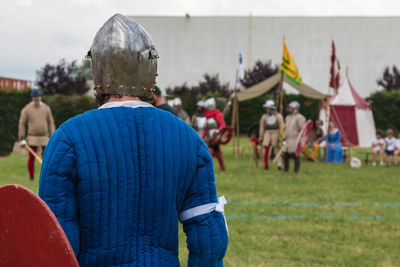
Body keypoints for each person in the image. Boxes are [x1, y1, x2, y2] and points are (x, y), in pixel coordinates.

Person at [38, 14, 228, 267]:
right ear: (150, 70)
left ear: (97, 69)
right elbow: (208, 237)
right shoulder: (188, 139)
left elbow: (56, 241)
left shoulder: (67, 138)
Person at [18, 89, 55, 180]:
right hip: (32, 137)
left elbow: (50, 122)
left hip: (44, 137)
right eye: (34, 97)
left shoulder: (46, 108)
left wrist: (53, 135)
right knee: (31, 158)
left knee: (46, 157)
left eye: (38, 97)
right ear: (32, 98)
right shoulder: (27, 109)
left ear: (40, 97)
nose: (36, 98)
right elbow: (22, 123)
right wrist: (22, 137)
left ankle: (46, 175)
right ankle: (31, 176)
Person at [258, 99, 284, 170]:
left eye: (268, 108)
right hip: (267, 133)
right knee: (265, 148)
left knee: (276, 149)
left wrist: (282, 137)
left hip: (276, 132)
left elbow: (282, 127)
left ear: (272, 108)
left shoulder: (278, 116)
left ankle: (279, 165)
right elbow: (262, 127)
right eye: (266, 108)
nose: (267, 109)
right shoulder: (264, 116)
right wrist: (261, 136)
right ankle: (266, 165)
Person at [203, 97, 226, 171]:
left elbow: (222, 126)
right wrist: (203, 136)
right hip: (210, 136)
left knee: (210, 151)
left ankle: (208, 168)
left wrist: (218, 133)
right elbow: (207, 128)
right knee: (217, 152)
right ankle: (222, 168)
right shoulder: (207, 115)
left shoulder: (218, 114)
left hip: (216, 136)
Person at [283, 101, 306, 173]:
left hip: (295, 139)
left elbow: (302, 129)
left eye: (291, 107)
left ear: (295, 108)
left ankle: (296, 171)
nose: (289, 109)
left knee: (295, 155)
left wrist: (300, 139)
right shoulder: (288, 117)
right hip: (288, 139)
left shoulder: (300, 117)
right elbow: (287, 128)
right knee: (285, 155)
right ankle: (286, 170)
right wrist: (284, 137)